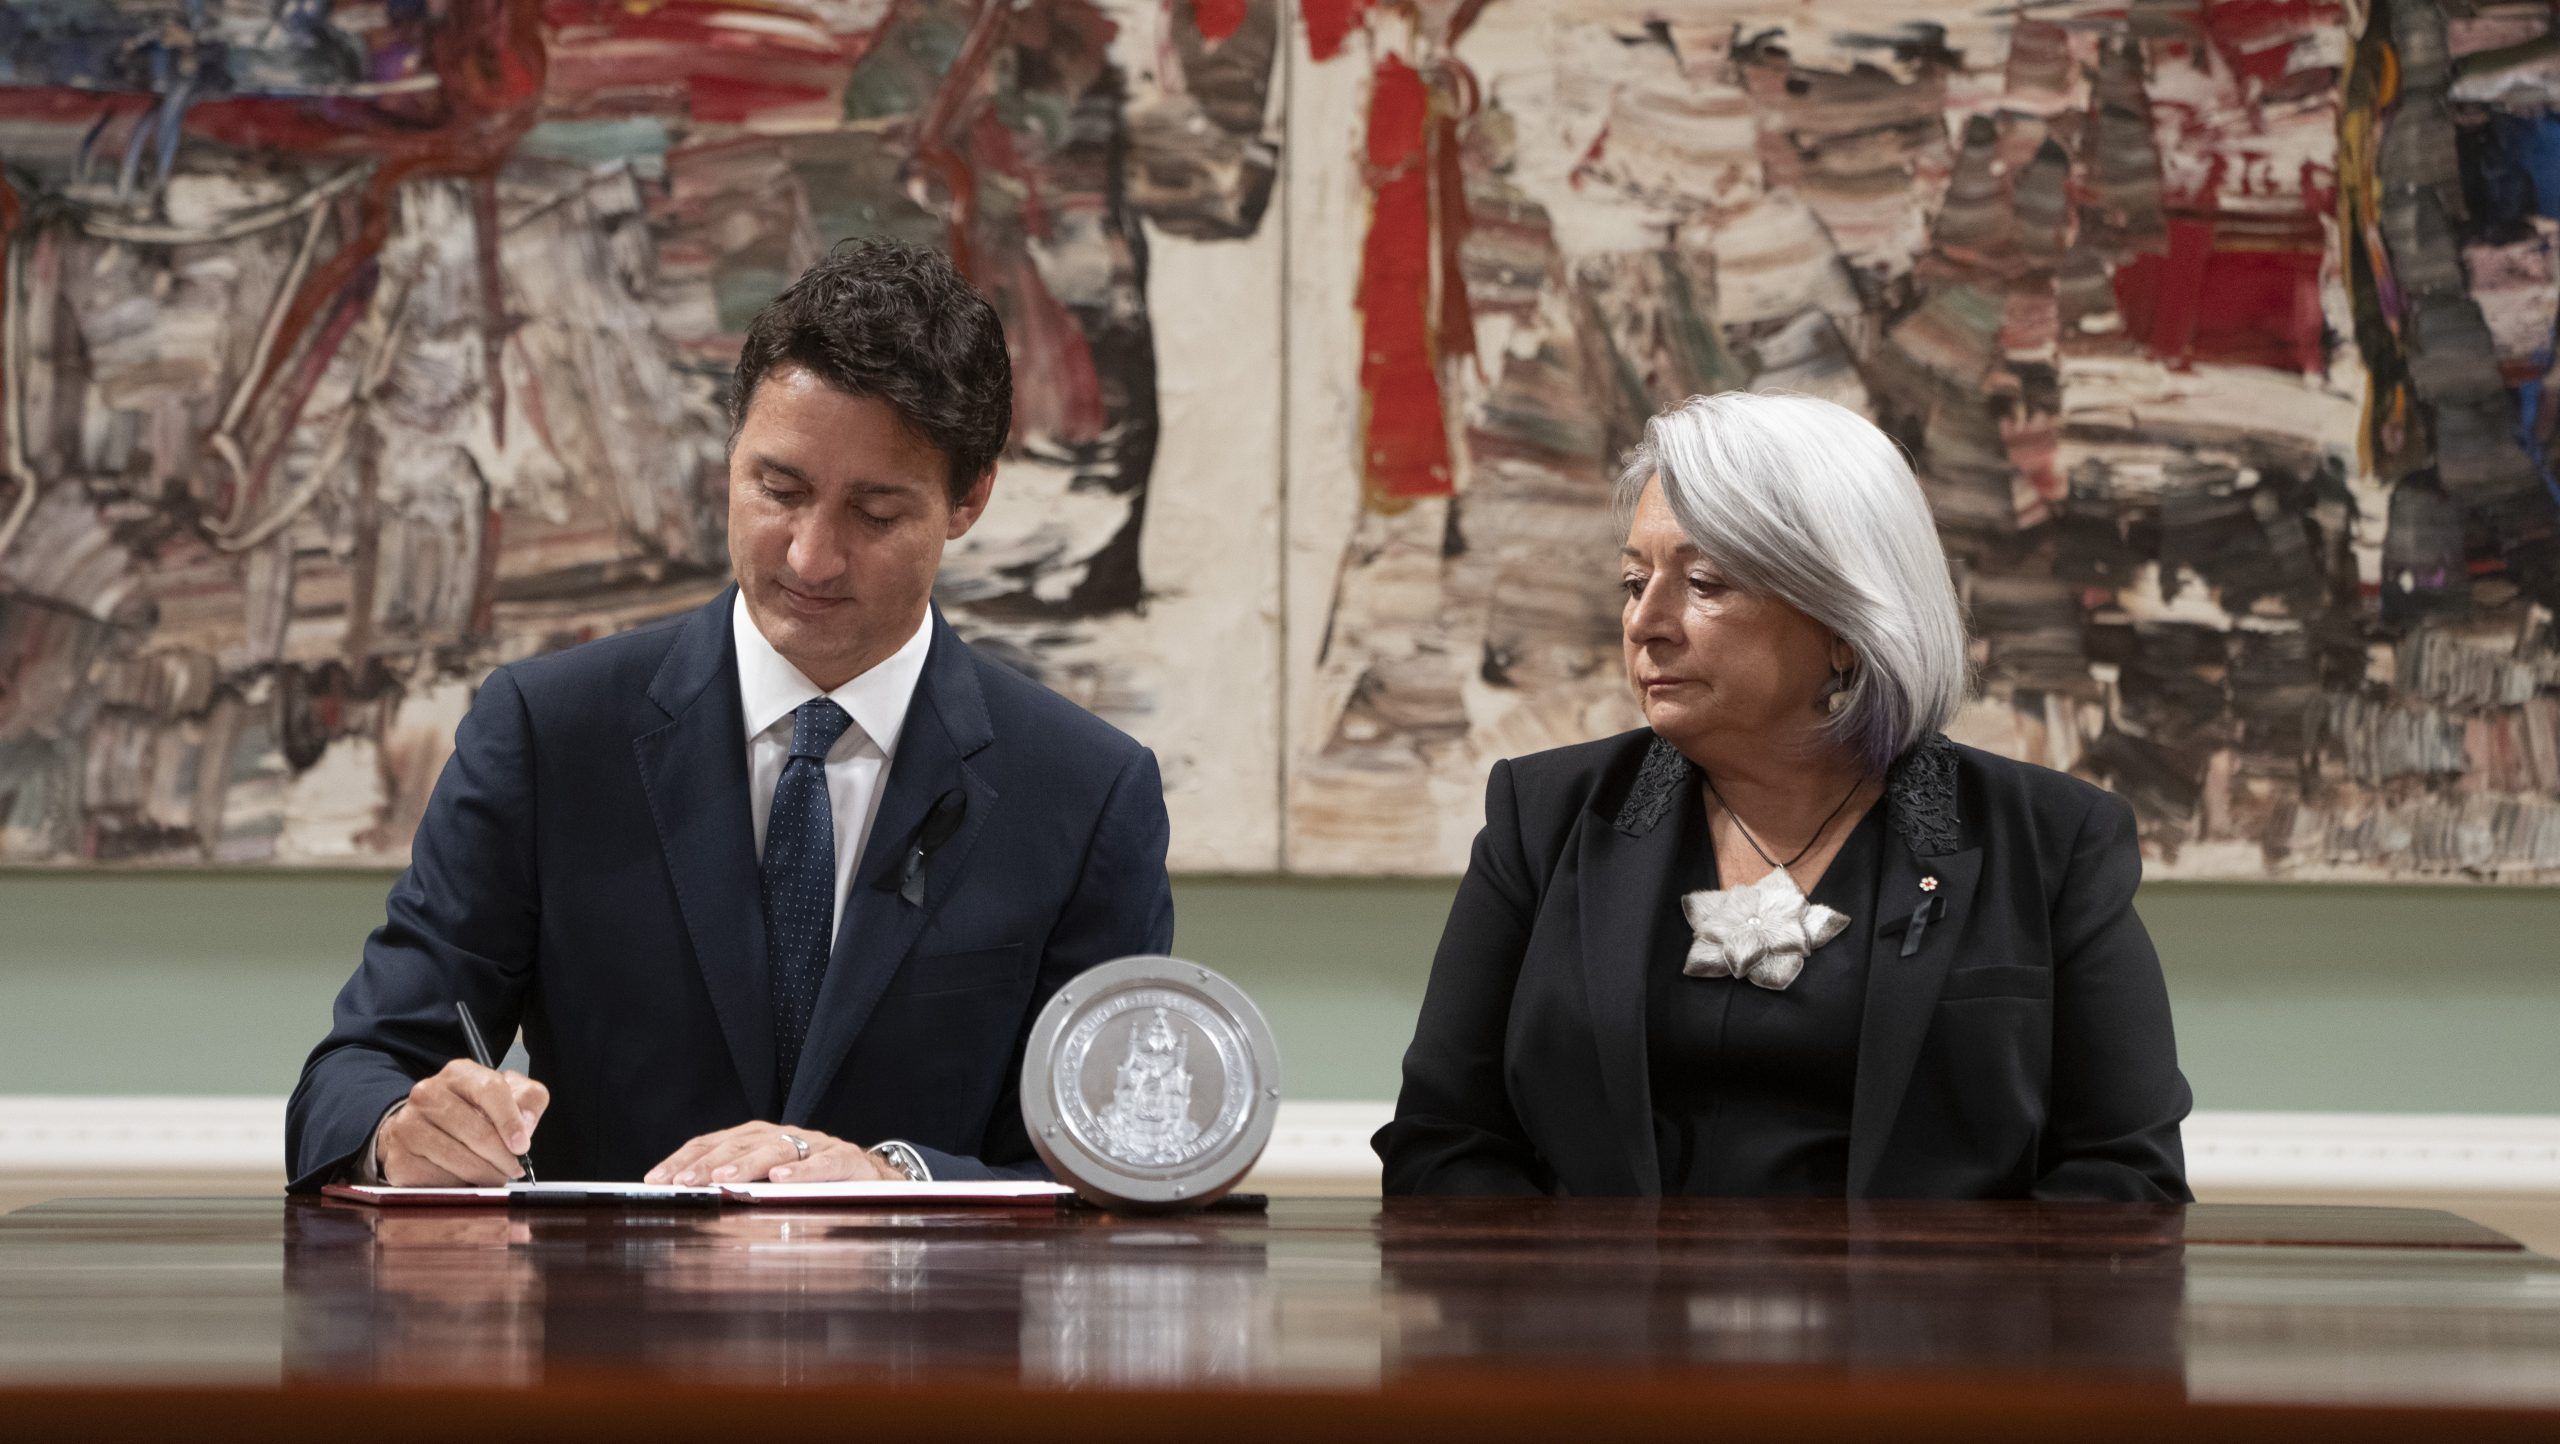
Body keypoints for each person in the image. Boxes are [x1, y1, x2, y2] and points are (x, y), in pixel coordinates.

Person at [286, 240, 1174, 1189]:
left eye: (875, 515)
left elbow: (1120, 1161)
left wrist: (898, 1179)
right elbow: (350, 1076)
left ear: (969, 499)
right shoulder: (548, 733)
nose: (810, 557)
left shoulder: (1086, 792)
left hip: (934, 1329)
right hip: (605, 1328)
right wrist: (400, 1130)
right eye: (777, 490)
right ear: (730, 456)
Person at [1374, 391, 2190, 1201]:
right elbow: (1445, 1141)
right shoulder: (1544, 816)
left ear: (1844, 621)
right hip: (1600, 1325)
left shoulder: (2051, 840)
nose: (1645, 622)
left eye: (1702, 581)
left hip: (1932, 1327)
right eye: (1633, 581)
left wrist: (1951, 1319)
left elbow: (2124, 1176)